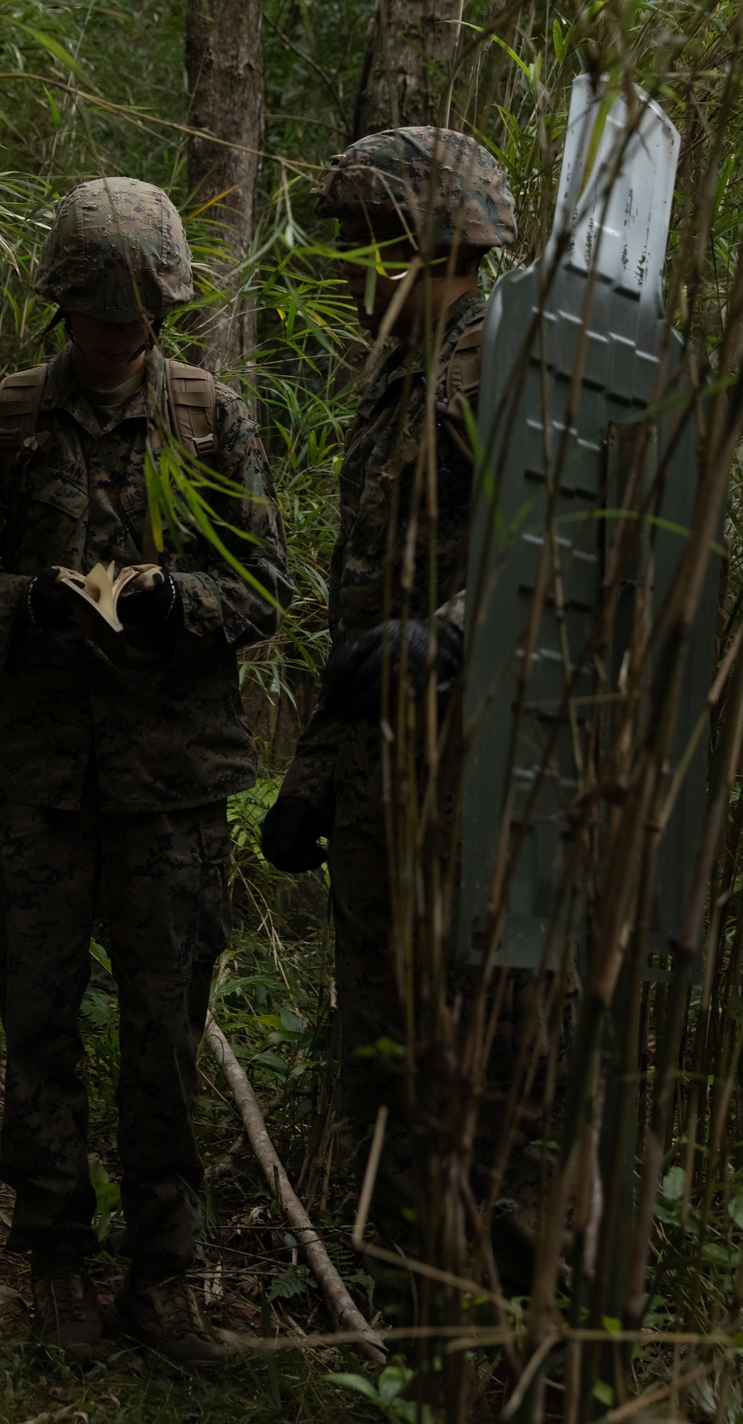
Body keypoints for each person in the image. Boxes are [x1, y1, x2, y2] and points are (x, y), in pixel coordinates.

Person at [0, 176, 290, 1364]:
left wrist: (179, 600)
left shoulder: (211, 419)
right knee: (38, 1023)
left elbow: (267, 590)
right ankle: (57, 1266)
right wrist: (29, 601)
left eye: (137, 323)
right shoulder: (2, 424)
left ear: (166, 314)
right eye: (99, 321)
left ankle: (164, 1279)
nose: (119, 341)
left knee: (163, 1034)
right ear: (63, 308)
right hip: (39, 780)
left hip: (170, 789)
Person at [260, 130, 517, 1274]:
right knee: (381, 1043)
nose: (346, 278)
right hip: (381, 778)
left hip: (468, 785)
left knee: (466, 1058)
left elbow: (566, 552)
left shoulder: (495, 366)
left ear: (411, 248)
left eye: (360, 249)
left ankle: (473, 1316)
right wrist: (314, 773)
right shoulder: (398, 380)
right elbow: (364, 608)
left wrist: (451, 633)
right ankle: (391, 1309)